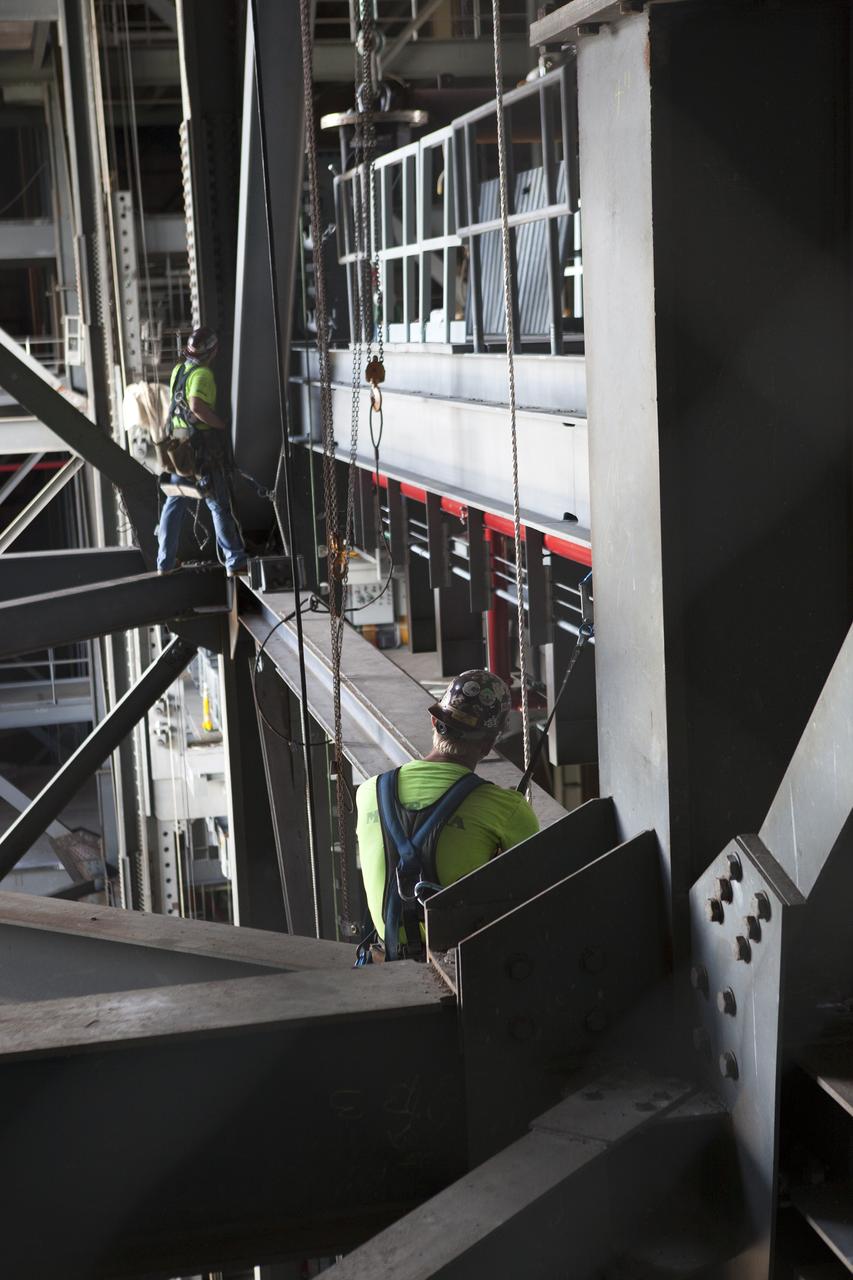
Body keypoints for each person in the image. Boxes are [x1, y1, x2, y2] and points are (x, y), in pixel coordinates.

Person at [356, 668, 539, 960]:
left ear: (434, 721)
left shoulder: (368, 793)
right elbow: (538, 896)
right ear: (489, 745)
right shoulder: (508, 809)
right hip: (459, 973)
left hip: (384, 966)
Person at [156, 326, 247, 577]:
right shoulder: (203, 374)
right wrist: (222, 424)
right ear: (213, 351)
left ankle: (164, 562)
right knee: (217, 503)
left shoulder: (179, 370)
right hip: (199, 452)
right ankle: (235, 559)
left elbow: (177, 405)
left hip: (179, 450)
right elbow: (196, 406)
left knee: (173, 502)